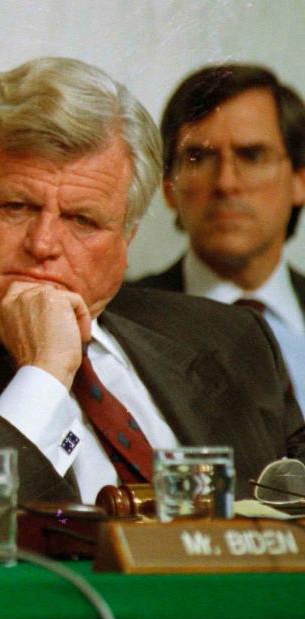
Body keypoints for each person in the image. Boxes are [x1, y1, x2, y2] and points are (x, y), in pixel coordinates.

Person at [0, 57, 305, 505]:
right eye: (17, 206)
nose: (43, 243)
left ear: (128, 231)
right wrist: (44, 375)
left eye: (82, 220)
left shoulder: (234, 339)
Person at [135, 64, 305, 413]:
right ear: (169, 186)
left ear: (299, 180)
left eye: (252, 155)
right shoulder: (125, 318)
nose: (226, 182)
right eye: (200, 157)